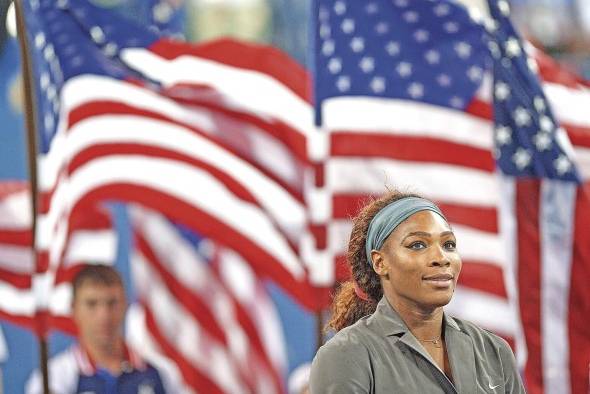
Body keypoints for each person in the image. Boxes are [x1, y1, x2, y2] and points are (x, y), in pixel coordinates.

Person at [310, 190, 526, 394]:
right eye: (417, 245)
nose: (441, 258)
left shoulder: (494, 351)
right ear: (380, 262)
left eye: (449, 244)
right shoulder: (347, 354)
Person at [26, 265, 172, 394]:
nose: (104, 315)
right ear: (73, 308)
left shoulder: (161, 373)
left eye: (112, 303)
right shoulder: (53, 379)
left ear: (126, 305)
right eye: (92, 304)